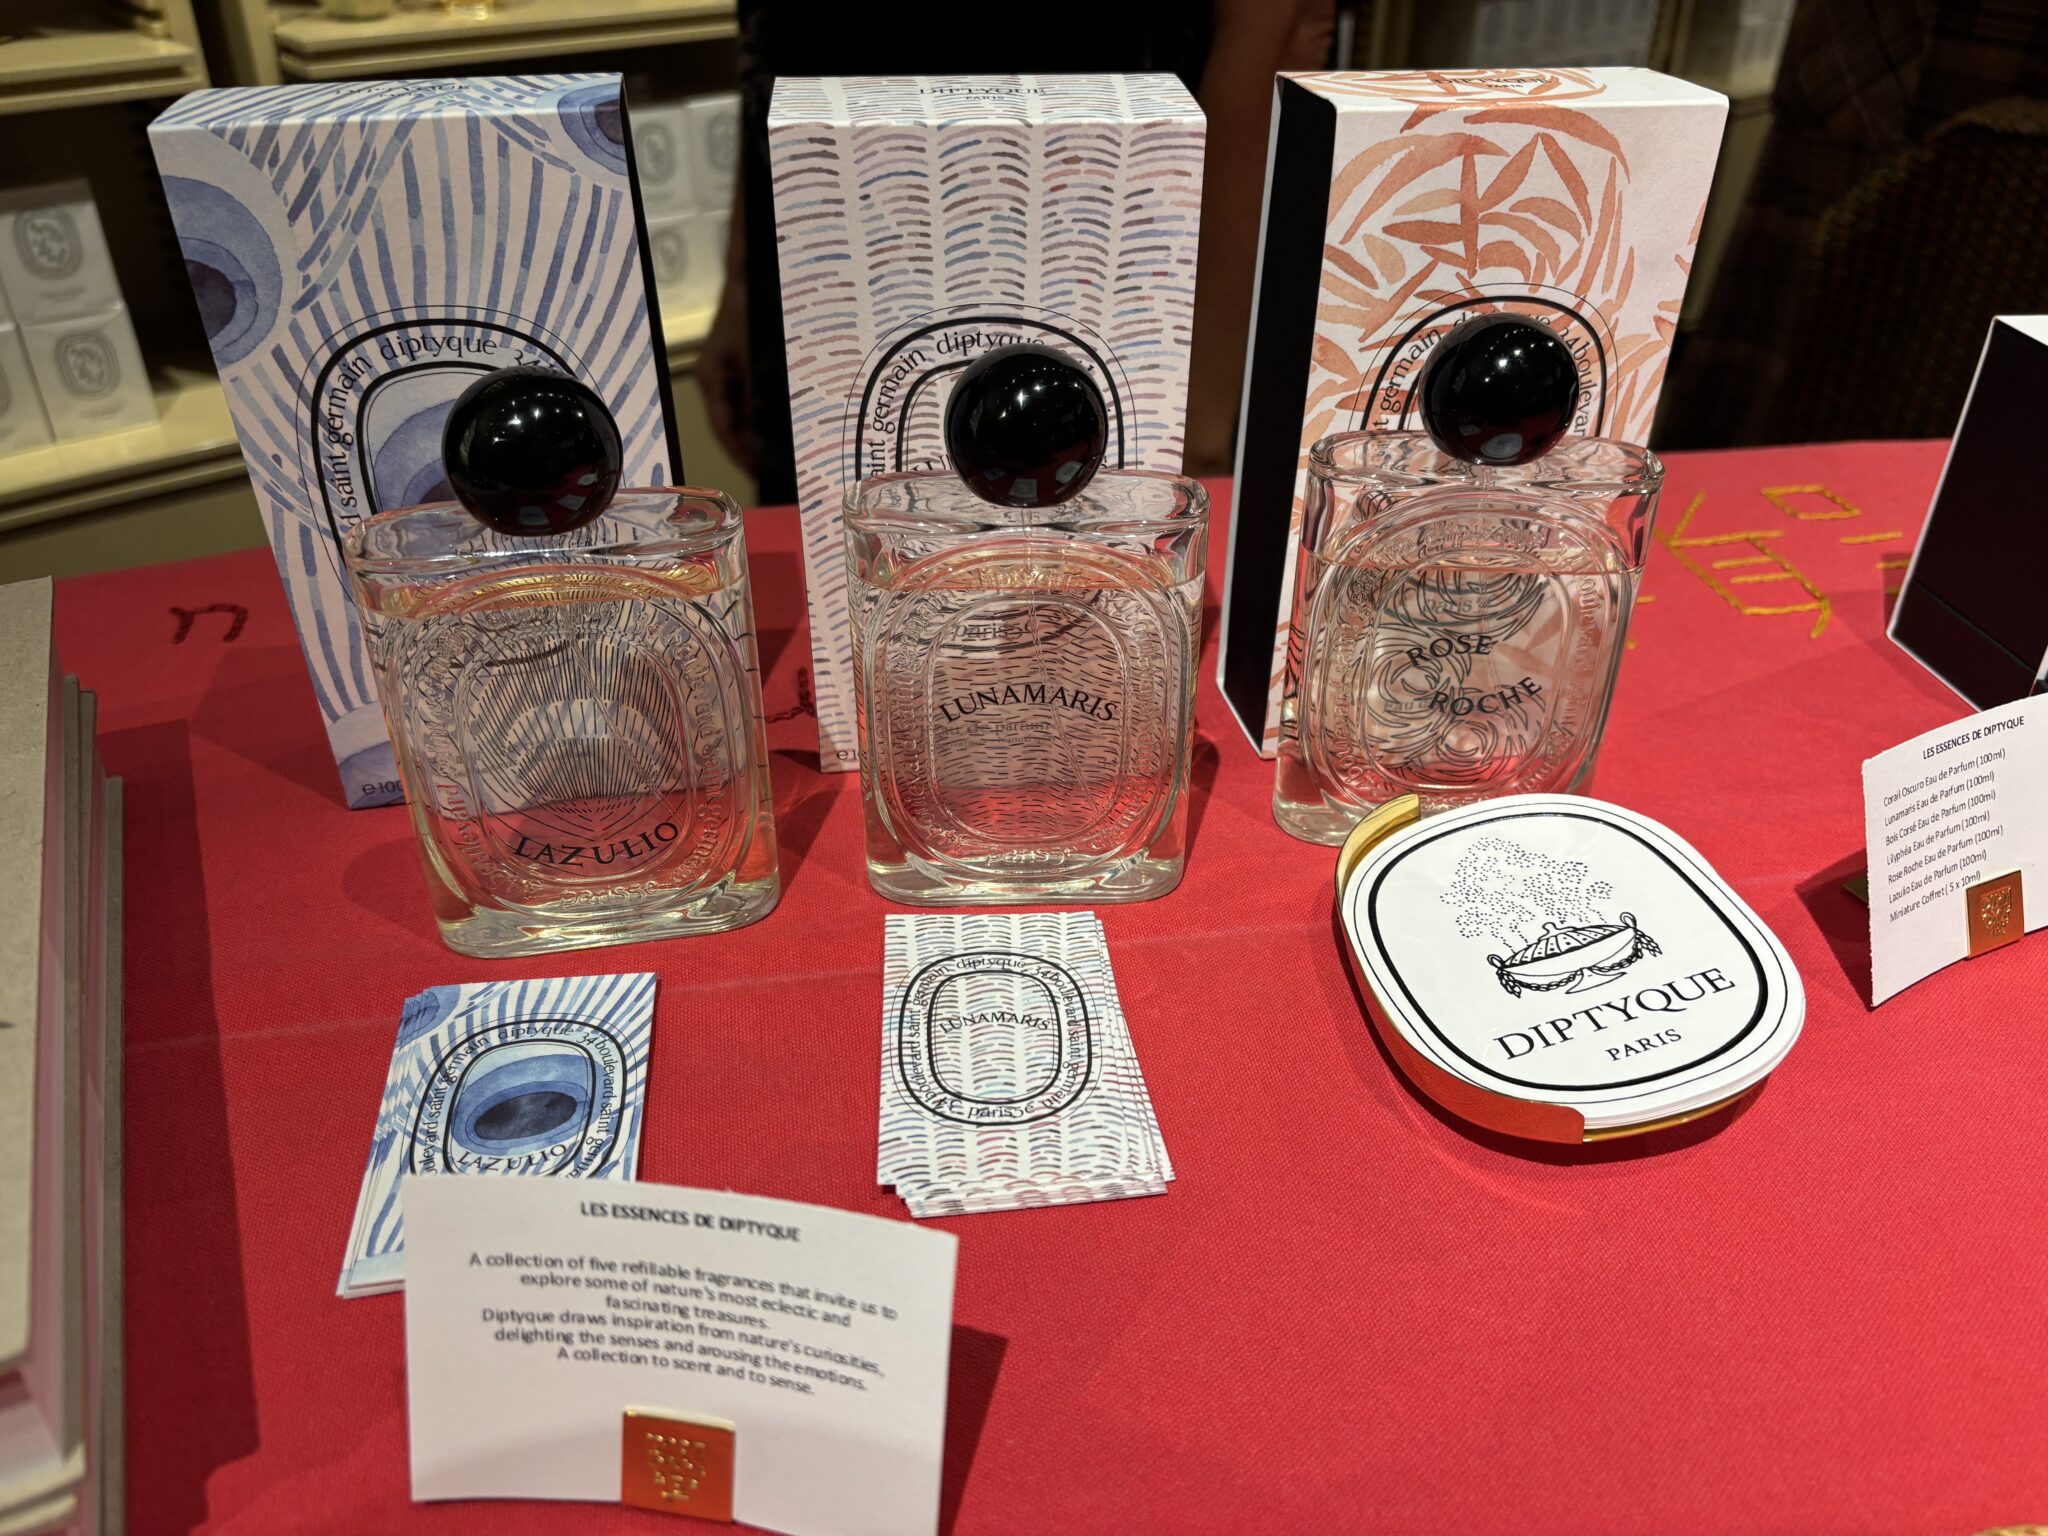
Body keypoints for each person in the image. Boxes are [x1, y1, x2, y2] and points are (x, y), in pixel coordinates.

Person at [694, 0, 1337, 498]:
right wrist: (744, 278)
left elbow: (1274, 30)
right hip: (819, 230)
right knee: (851, 543)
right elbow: (772, 39)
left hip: (1104, 214)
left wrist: (1201, 411)